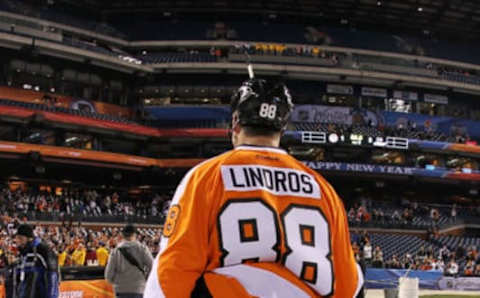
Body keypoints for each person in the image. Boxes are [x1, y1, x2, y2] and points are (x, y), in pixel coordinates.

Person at [144, 78, 363, 297]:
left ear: (235, 123)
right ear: (282, 128)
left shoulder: (206, 177)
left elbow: (173, 270)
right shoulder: (323, 189)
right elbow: (349, 285)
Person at [10, 224, 59, 298]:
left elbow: (53, 276)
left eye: (20, 238)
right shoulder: (22, 255)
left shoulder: (43, 251)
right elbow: (18, 282)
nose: (17, 241)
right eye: (16, 238)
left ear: (29, 238)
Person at [105, 224, 153, 298]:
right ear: (134, 234)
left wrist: (116, 282)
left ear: (123, 235)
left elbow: (108, 274)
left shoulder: (116, 251)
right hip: (138, 288)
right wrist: (145, 278)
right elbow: (152, 266)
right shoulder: (142, 249)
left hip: (120, 289)